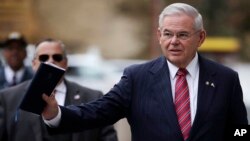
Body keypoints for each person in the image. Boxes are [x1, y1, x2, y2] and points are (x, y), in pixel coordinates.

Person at [42, 3, 248, 141]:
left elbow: (240, 131)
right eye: (167, 34)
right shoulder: (137, 78)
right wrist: (56, 114)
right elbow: (97, 112)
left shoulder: (225, 78)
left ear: (201, 37)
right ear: (159, 35)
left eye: (183, 35)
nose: (173, 41)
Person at [0, 39, 118, 141]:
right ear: (33, 63)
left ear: (66, 63)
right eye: (44, 57)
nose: (51, 61)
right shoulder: (8, 98)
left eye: (57, 57)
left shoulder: (93, 97)